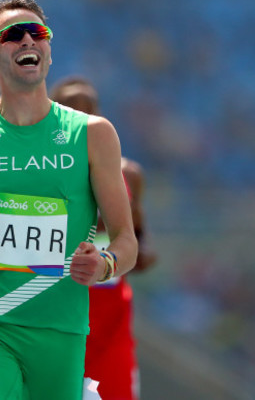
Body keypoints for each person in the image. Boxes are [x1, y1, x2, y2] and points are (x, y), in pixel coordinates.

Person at [0, 0, 138, 400]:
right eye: (13, 35)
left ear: (48, 48)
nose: (28, 40)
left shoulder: (93, 134)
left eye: (38, 33)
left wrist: (105, 264)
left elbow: (125, 241)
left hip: (62, 331)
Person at [50, 76, 157, 400]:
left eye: (89, 108)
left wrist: (132, 253)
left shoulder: (128, 175)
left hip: (109, 316)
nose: (81, 115)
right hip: (56, 310)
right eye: (71, 108)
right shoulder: (39, 170)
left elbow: (139, 245)